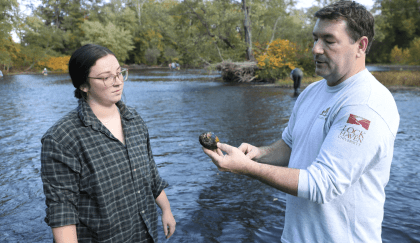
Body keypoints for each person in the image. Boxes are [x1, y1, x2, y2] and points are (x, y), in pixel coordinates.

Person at [202, 1, 400, 242]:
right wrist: (257, 154)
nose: (316, 49)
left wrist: (247, 168)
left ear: (361, 46)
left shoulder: (366, 105)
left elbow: (323, 184)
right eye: (315, 38)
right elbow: (291, 144)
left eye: (329, 40)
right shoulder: (312, 92)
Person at [40, 44, 176, 242]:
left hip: (145, 235)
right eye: (106, 77)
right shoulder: (62, 139)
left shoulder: (134, 120)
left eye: (120, 73)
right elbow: (62, 211)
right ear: (83, 85)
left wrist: (166, 209)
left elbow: (150, 174)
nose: (118, 82)